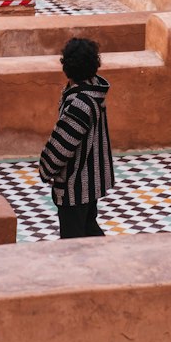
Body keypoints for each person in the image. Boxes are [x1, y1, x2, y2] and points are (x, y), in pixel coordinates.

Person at [38, 37, 114, 238]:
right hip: (90, 182)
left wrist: (45, 169)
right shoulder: (93, 90)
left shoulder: (79, 103)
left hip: (76, 185)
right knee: (89, 230)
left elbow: (62, 145)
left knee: (74, 240)